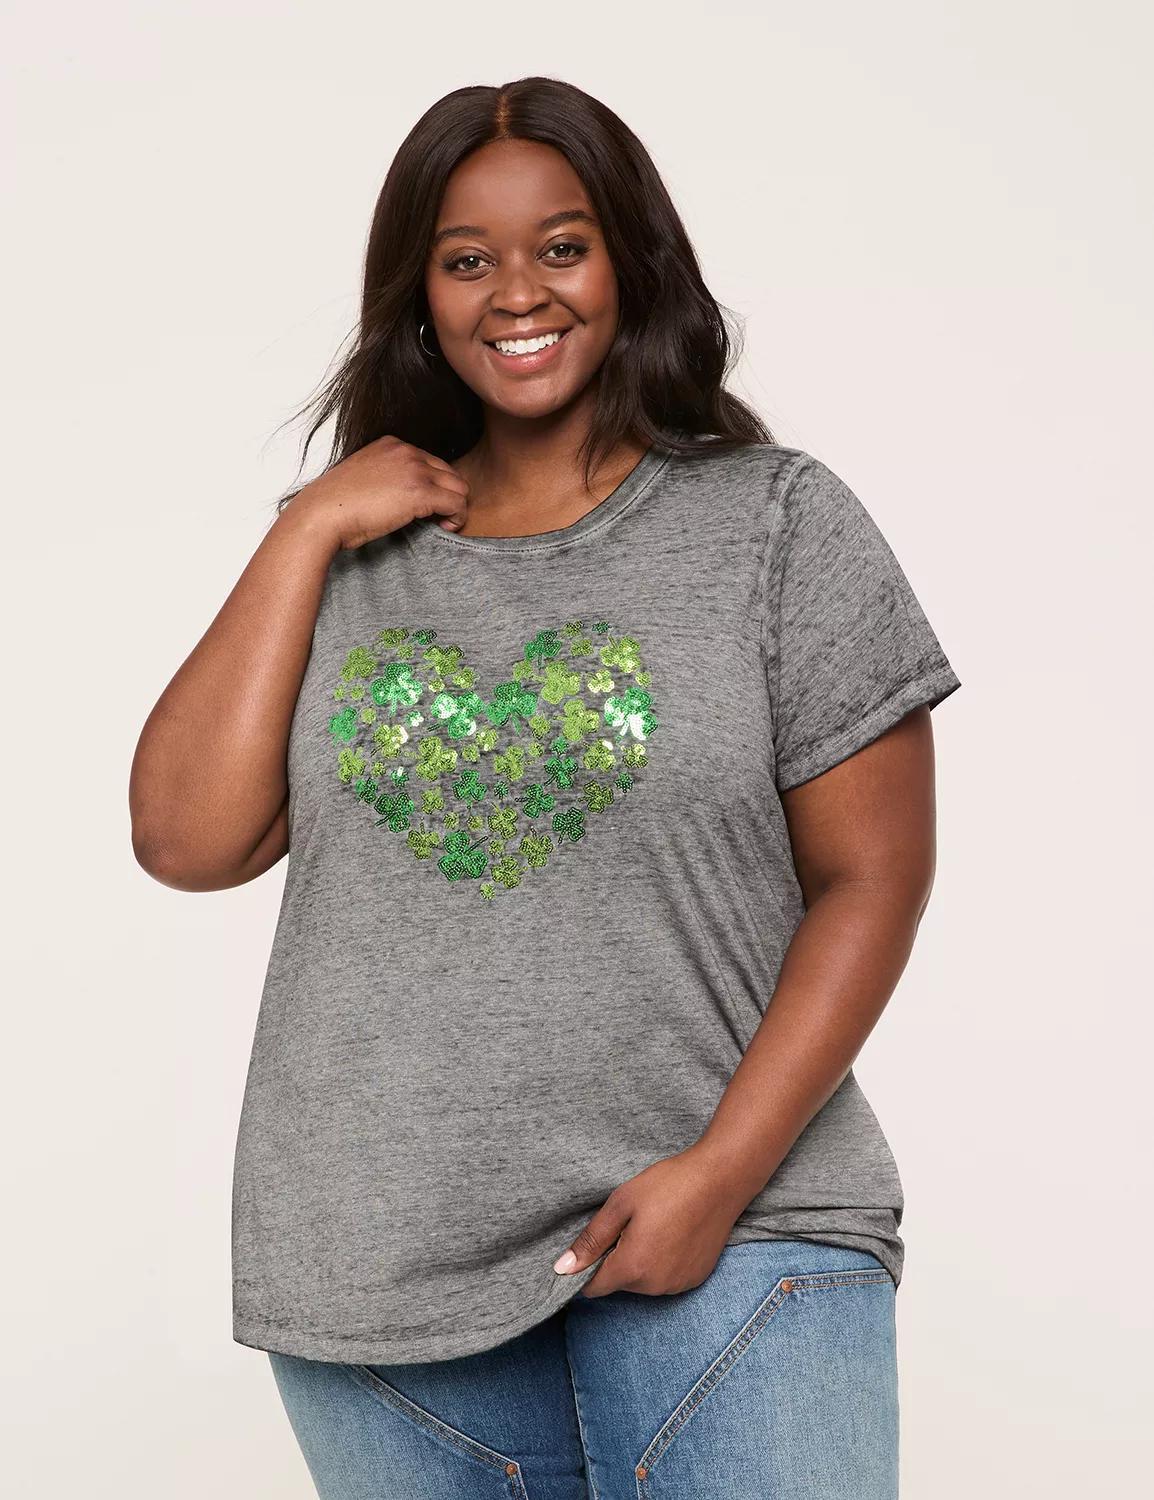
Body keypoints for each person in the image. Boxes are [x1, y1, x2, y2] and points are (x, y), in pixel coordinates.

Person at [130, 74, 961, 1500]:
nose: (518, 292)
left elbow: (870, 877)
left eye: (561, 246)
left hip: (738, 1228)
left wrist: (721, 1170)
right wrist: (305, 530)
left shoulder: (772, 522)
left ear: (629, 262)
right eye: (468, 259)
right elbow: (185, 839)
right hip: (382, 1268)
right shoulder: (350, 559)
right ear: (420, 297)